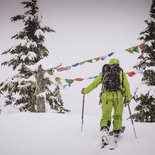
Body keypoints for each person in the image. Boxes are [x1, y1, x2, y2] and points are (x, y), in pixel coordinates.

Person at [81, 58, 131, 144]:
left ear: (110, 63)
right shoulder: (121, 72)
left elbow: (94, 84)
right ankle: (116, 132)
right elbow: (127, 86)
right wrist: (128, 98)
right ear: (118, 64)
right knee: (118, 115)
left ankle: (104, 130)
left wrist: (85, 91)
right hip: (118, 97)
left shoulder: (104, 72)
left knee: (106, 116)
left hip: (106, 97)